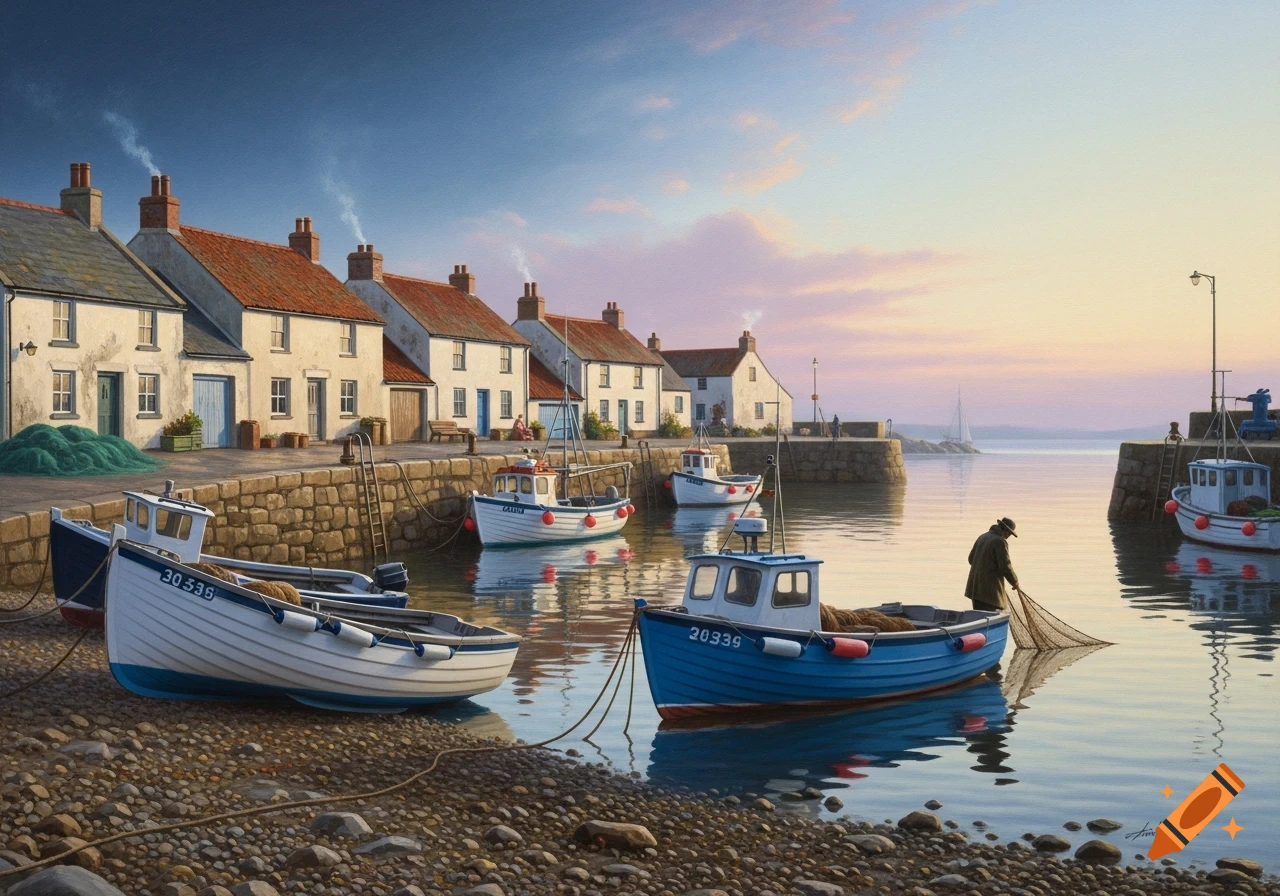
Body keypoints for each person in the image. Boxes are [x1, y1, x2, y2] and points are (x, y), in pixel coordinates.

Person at [965, 517, 1019, 612]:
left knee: (979, 618)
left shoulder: (982, 537)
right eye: (1010, 534)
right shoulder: (1000, 541)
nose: (1008, 536)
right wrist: (1014, 581)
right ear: (1006, 531)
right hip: (990, 594)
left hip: (975, 589)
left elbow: (970, 559)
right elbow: (1005, 566)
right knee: (990, 617)